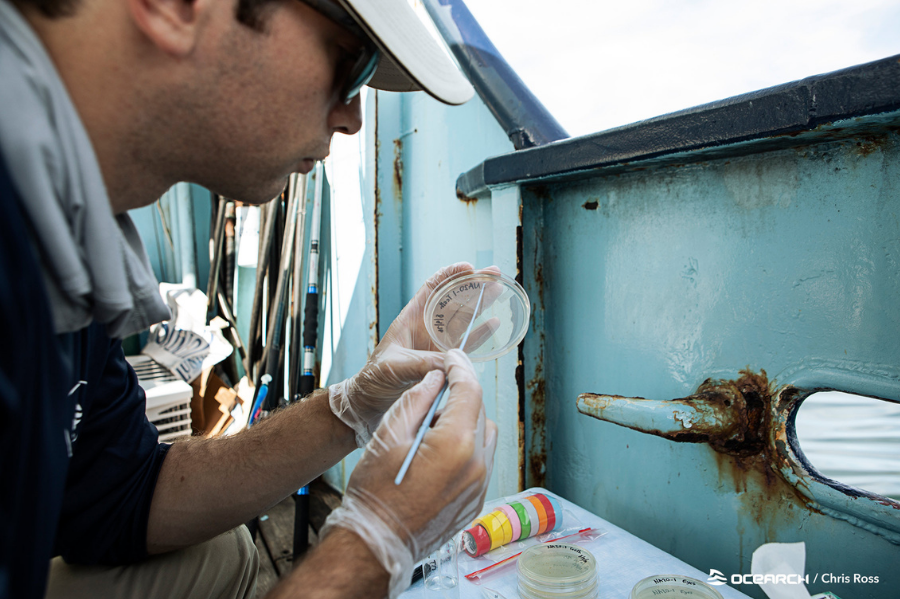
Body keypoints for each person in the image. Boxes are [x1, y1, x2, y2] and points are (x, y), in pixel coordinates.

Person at [0, 0, 498, 598]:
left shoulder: (65, 231)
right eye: (350, 63)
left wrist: (356, 406)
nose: (352, 119)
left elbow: (120, 498)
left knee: (218, 554)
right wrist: (378, 540)